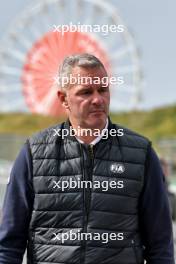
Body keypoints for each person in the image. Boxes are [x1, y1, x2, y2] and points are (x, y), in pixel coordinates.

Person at [0, 53, 174, 264]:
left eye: (103, 90)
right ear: (63, 99)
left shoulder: (142, 154)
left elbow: (161, 245)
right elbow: (8, 245)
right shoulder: (33, 154)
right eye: (86, 92)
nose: (98, 99)